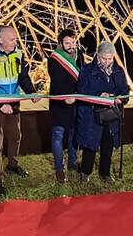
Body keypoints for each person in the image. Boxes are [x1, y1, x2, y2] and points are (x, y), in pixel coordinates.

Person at [0, 25, 39, 195]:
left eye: (16, 39)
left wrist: (31, 92)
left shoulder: (18, 54)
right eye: (12, 39)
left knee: (16, 136)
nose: (15, 42)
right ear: (0, 40)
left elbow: (23, 77)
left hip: (14, 104)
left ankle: (13, 164)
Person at [76, 41, 129, 184]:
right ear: (98, 55)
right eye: (104, 58)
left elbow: (124, 90)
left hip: (111, 114)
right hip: (93, 114)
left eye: (110, 58)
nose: (107, 61)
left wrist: (121, 99)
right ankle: (85, 172)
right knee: (90, 144)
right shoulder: (87, 70)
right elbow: (82, 89)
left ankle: (105, 172)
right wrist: (100, 94)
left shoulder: (118, 71)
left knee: (108, 144)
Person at [48, 29, 84, 183]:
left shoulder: (80, 56)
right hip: (60, 102)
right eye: (67, 43)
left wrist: (77, 94)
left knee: (74, 134)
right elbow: (56, 80)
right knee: (58, 135)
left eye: (73, 42)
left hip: (76, 101)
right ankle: (59, 168)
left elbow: (82, 77)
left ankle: (72, 163)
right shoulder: (54, 58)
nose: (71, 46)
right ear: (61, 43)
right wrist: (65, 97)